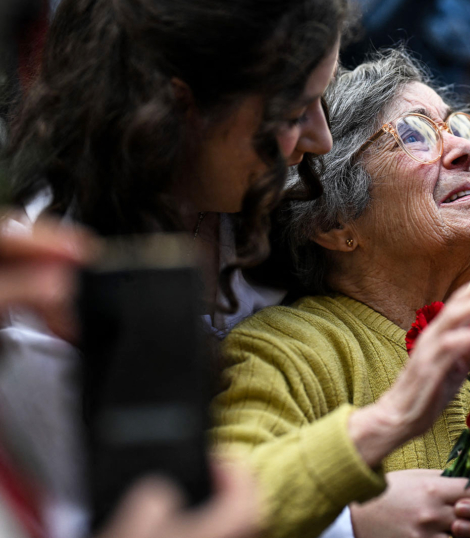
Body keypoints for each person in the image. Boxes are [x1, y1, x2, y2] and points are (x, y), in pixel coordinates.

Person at [213, 49, 470, 538]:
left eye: (458, 129)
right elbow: (224, 507)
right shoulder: (283, 352)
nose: (462, 151)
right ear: (332, 221)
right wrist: (358, 522)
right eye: (414, 134)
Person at [2, 0, 343, 536]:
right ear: (180, 108)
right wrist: (352, 517)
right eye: (293, 113)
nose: (322, 139)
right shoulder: (46, 285)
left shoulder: (267, 211)